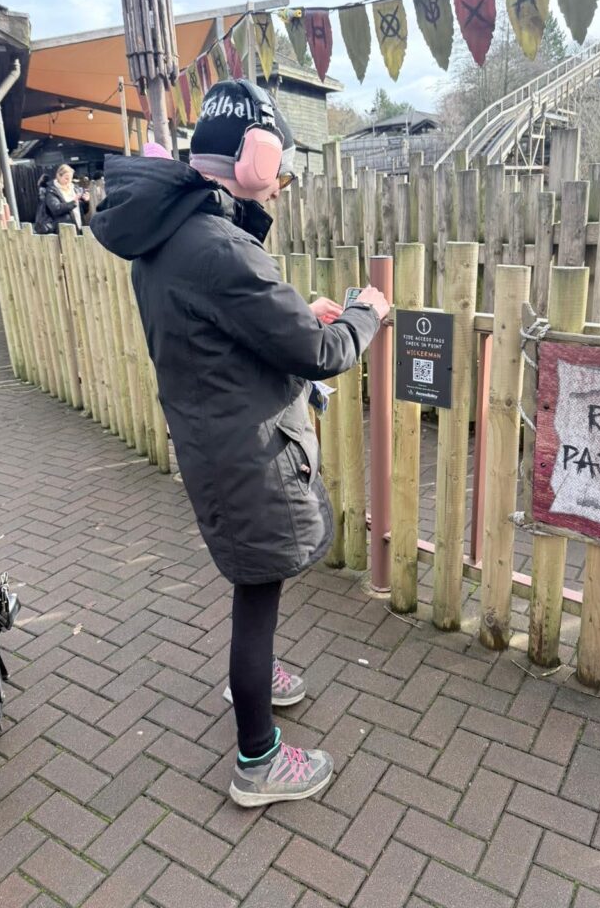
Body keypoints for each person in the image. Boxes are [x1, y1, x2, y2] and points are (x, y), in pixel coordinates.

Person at [91, 79, 389, 808]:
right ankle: (257, 760)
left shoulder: (171, 231)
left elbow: (234, 318)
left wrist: (296, 310)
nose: (281, 186)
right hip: (247, 454)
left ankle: (254, 678)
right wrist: (362, 312)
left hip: (213, 437)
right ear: (256, 158)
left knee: (257, 582)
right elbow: (321, 356)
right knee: (258, 589)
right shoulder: (216, 246)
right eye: (281, 169)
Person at [34, 164, 88, 235]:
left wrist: (86, 201)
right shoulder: (51, 191)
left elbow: (83, 210)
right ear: (59, 176)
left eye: (70, 178)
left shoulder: (75, 189)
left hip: (79, 227)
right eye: (66, 178)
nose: (69, 181)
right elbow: (56, 209)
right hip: (64, 230)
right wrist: (73, 203)